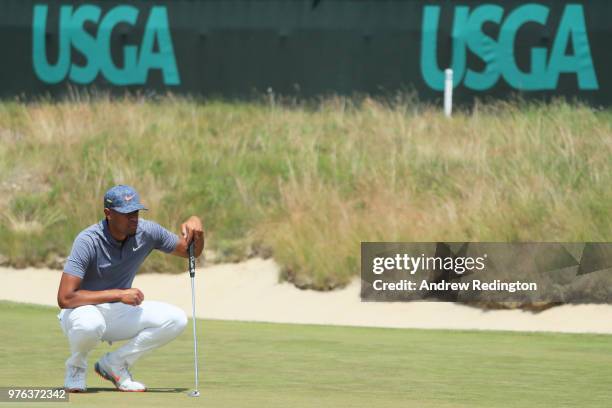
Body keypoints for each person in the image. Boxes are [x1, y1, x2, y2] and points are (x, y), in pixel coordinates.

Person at [56, 185, 204, 392]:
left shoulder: (147, 231)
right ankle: (76, 367)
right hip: (80, 312)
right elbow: (65, 298)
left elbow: (190, 252)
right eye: (127, 214)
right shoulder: (87, 240)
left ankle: (115, 364)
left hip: (119, 312)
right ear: (108, 214)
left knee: (176, 319)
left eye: (135, 212)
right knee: (90, 324)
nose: (133, 218)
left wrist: (196, 226)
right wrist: (119, 293)